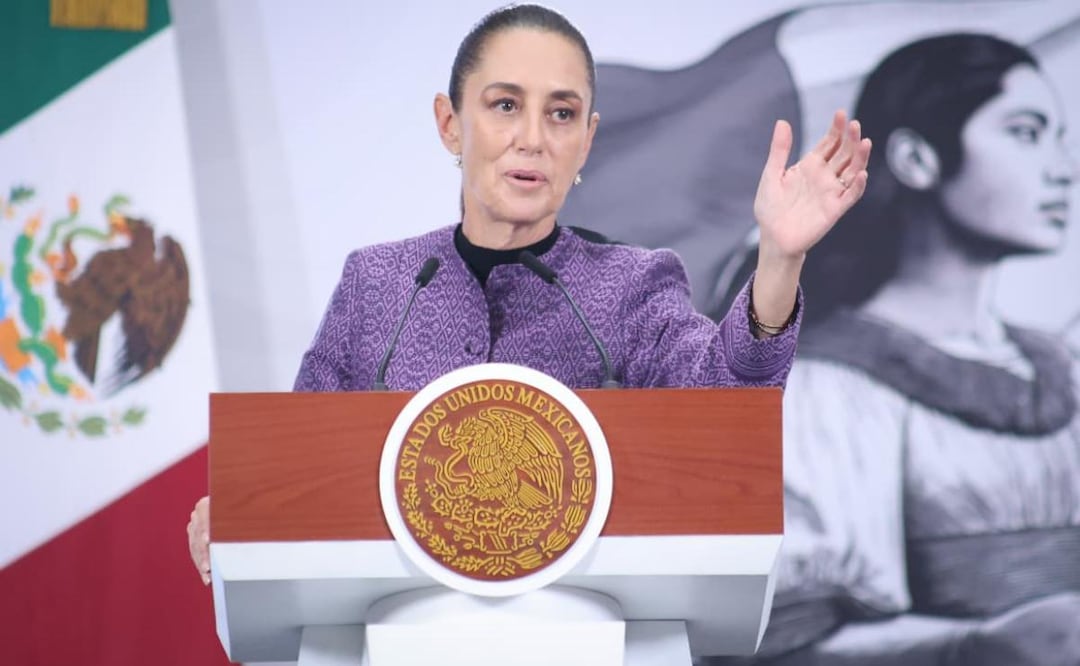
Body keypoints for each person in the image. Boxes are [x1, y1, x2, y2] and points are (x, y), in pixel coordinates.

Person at [187, 4, 871, 588]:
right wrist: (246, 516)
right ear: (451, 124)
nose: (534, 139)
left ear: (586, 142)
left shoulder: (631, 287)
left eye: (562, 113)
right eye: (505, 105)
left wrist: (780, 260)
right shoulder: (378, 286)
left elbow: (725, 405)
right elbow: (304, 465)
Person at [744, 34, 1080, 665]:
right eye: (1027, 133)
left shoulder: (1064, 369)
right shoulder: (831, 386)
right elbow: (789, 639)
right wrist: (985, 646)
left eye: (1060, 137)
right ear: (918, 159)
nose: (1064, 168)